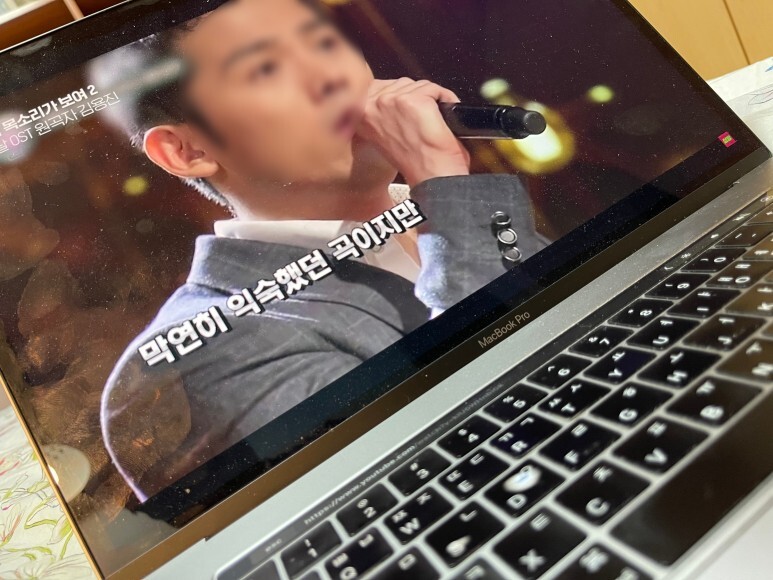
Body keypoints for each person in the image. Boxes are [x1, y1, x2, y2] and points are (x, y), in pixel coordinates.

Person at [96, 0, 550, 501]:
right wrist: (446, 186)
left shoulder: (444, 215)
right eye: (266, 69)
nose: (334, 77)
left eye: (325, 43)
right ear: (186, 151)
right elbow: (451, 470)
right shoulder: (185, 359)